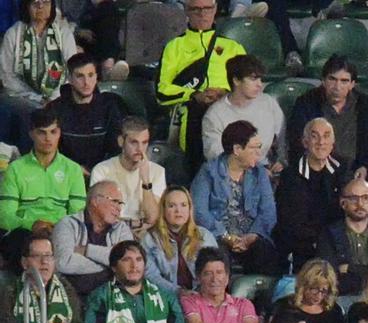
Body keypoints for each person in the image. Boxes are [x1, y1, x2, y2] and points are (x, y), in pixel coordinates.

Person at [156, 0, 246, 170]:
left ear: (215, 9)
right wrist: (194, 95)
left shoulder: (233, 47)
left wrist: (226, 93)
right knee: (198, 109)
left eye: (207, 8)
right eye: (196, 9)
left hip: (229, 110)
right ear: (186, 11)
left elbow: (247, 85)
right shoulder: (174, 47)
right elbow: (162, 91)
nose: (202, 13)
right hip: (192, 112)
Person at [191, 120, 281, 274]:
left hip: (251, 237)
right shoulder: (208, 172)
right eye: (254, 148)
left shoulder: (259, 173)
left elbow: (268, 211)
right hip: (219, 236)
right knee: (216, 257)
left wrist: (253, 235)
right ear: (237, 149)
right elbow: (199, 211)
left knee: (267, 253)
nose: (259, 153)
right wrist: (226, 236)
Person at [0, 108, 86, 263]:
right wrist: (32, 225)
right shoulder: (15, 168)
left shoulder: (72, 169)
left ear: (60, 133)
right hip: (25, 233)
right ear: (31, 133)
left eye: (53, 132)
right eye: (42, 132)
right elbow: (5, 216)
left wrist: (57, 228)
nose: (48, 138)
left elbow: (78, 214)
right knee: (19, 243)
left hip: (60, 232)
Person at [287, 55, 368, 176]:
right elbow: (297, 142)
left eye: (344, 81)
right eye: (332, 79)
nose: (337, 87)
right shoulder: (306, 103)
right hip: (318, 174)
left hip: (357, 174)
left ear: (352, 84)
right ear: (323, 81)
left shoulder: (366, 105)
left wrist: (366, 167)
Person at [274, 117, 347, 272]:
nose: (321, 142)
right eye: (315, 136)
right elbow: (289, 223)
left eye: (326, 136)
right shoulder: (290, 176)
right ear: (305, 142)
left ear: (333, 142)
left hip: (336, 241)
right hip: (302, 245)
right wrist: (320, 242)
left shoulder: (343, 169)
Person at [201, 55, 286, 169]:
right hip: (232, 175)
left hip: (267, 168)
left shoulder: (268, 103)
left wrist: (281, 161)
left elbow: (283, 138)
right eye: (253, 79)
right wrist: (255, 172)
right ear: (236, 80)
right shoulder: (214, 116)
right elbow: (216, 158)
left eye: (260, 79)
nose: (259, 84)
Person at [315, 178, 368, 297]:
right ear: (343, 203)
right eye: (353, 198)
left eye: (365, 198)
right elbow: (328, 276)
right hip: (340, 298)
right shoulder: (328, 235)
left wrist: (350, 268)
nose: (360, 204)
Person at [52, 180, 135, 295]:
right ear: (95, 201)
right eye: (115, 201)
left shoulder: (121, 228)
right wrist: (110, 265)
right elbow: (63, 262)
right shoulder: (67, 224)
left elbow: (127, 261)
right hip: (73, 295)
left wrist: (87, 250)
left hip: (113, 297)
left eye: (120, 204)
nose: (119, 208)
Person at [45, 53, 123, 172]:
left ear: (97, 77)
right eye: (80, 76)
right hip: (65, 174)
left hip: (103, 174)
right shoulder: (55, 109)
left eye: (91, 75)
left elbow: (116, 149)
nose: (86, 82)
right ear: (70, 79)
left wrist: (98, 171)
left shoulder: (109, 106)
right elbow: (48, 150)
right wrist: (75, 169)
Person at [90, 117, 166, 236]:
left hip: (145, 233)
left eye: (144, 142)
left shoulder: (157, 171)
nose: (140, 149)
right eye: (134, 142)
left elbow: (152, 218)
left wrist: (146, 180)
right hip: (111, 232)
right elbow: (100, 214)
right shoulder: (102, 170)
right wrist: (131, 225)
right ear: (121, 141)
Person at [0, 0, 77, 116]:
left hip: (58, 97)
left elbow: (71, 70)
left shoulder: (64, 34)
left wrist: (53, 98)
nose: (40, 6)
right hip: (22, 98)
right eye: (35, 3)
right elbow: (7, 76)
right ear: (26, 7)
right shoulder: (13, 34)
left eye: (45, 2)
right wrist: (36, 98)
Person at [141, 186, 217, 294]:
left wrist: (198, 294)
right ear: (163, 210)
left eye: (183, 205)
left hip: (201, 296)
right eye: (172, 206)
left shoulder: (204, 236)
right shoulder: (150, 239)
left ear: (190, 209)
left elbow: (214, 271)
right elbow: (151, 276)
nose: (178, 211)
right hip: (167, 296)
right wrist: (178, 291)